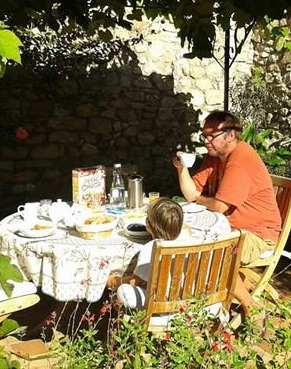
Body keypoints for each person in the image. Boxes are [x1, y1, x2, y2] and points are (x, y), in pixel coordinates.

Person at [172, 110, 281, 326]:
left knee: (215, 254)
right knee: (186, 241)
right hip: (227, 228)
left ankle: (252, 306)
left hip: (257, 235)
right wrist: (180, 167)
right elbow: (191, 192)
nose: (206, 142)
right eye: (204, 136)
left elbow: (219, 206)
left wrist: (199, 199)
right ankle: (201, 309)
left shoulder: (241, 160)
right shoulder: (216, 157)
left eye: (211, 136)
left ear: (231, 135)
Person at [107, 197, 190, 308]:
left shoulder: (150, 248)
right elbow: (187, 229)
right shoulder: (186, 237)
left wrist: (114, 281)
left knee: (123, 291)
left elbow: (134, 282)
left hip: (161, 301)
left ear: (149, 225)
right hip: (185, 295)